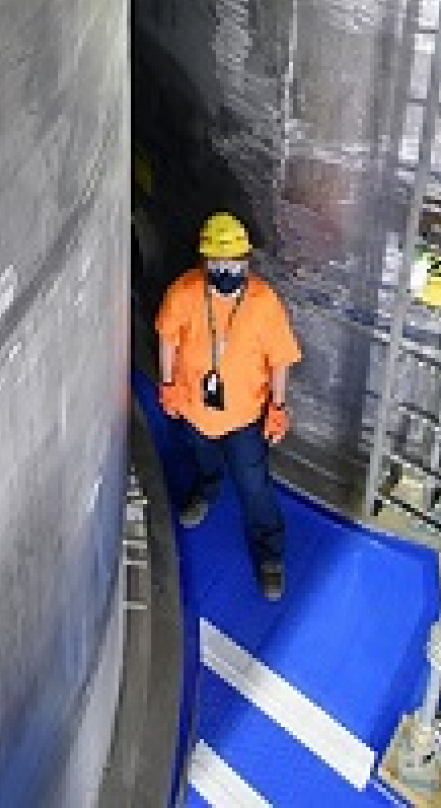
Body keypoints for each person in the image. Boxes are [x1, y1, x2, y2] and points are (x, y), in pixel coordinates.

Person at [156, 211, 301, 600]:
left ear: (246, 262)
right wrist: (168, 383)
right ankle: (207, 489)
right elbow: (168, 338)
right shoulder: (184, 293)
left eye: (233, 263)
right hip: (193, 408)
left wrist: (278, 406)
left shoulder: (263, 303)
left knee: (254, 486)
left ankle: (270, 554)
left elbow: (280, 359)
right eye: (217, 264)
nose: (225, 272)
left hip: (244, 418)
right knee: (201, 456)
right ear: (204, 262)